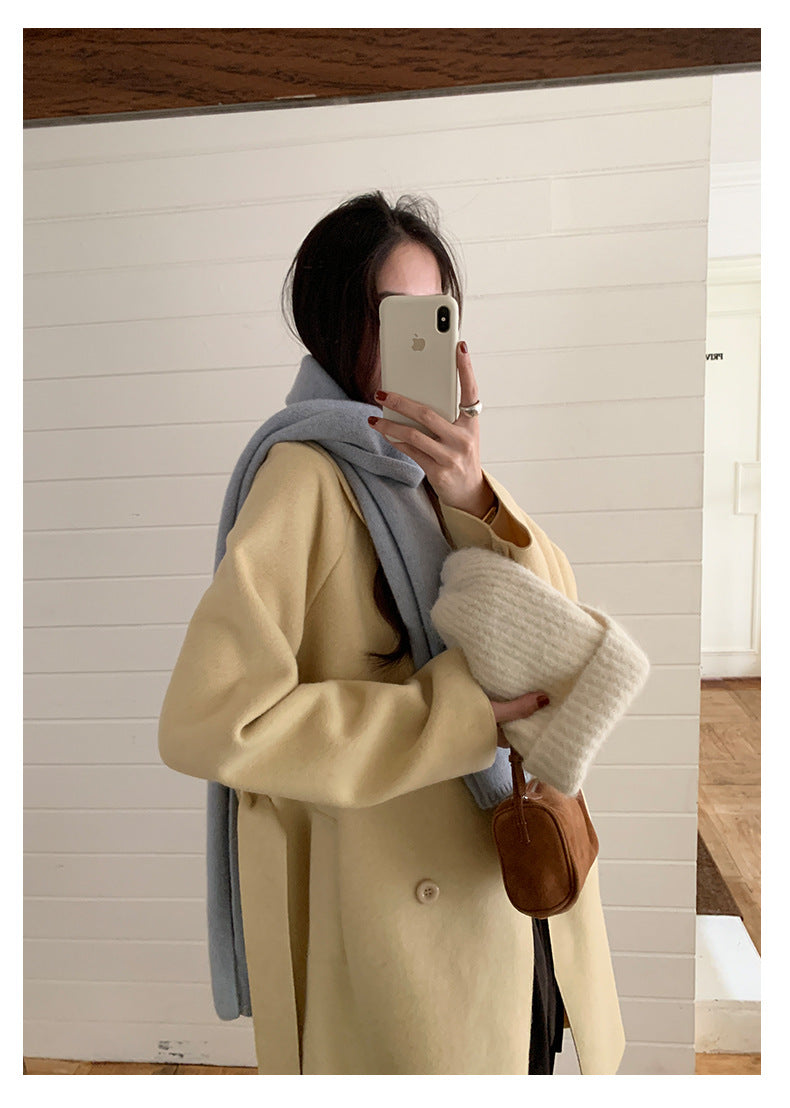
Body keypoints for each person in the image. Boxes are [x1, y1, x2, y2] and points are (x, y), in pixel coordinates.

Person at [157, 191, 626, 1076]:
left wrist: (474, 494)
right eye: (394, 317)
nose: (424, 343)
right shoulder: (305, 477)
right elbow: (210, 721)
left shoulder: (437, 468)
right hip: (405, 934)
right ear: (339, 327)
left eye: (436, 314)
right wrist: (452, 720)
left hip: (515, 883)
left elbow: (556, 629)